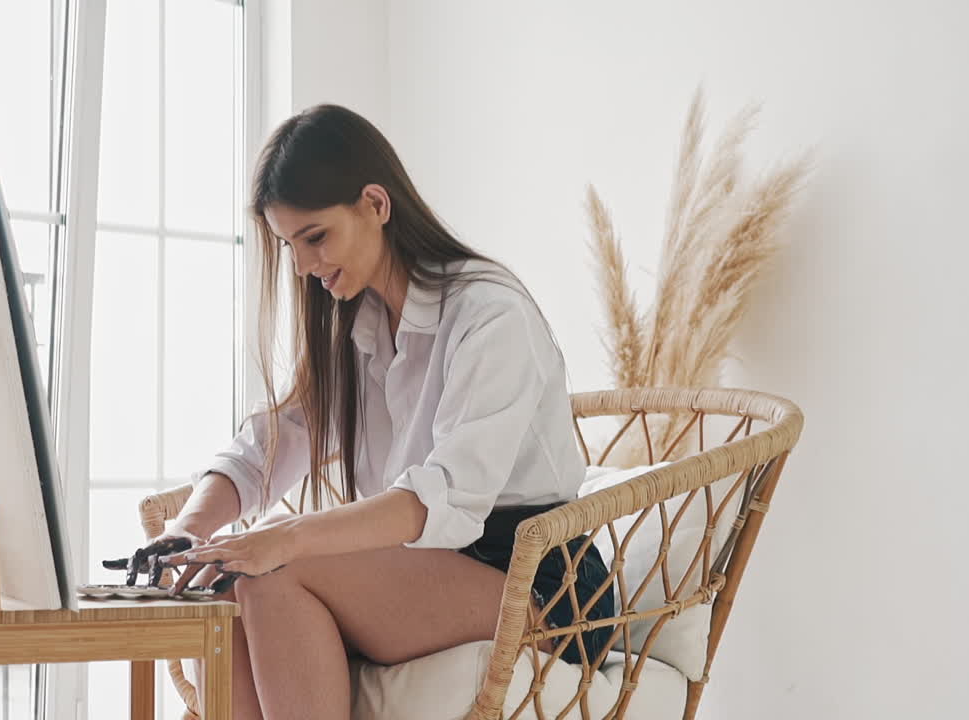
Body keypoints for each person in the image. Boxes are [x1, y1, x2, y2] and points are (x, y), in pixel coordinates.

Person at [131, 104, 614, 719]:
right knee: (223, 585)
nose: (303, 266)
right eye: (290, 246)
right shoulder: (355, 326)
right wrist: (192, 531)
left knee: (273, 572)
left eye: (316, 238)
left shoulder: (489, 314)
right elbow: (267, 445)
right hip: (428, 566)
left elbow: (447, 495)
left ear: (376, 205)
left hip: (538, 583)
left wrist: (282, 537)